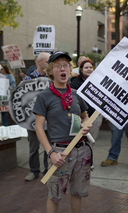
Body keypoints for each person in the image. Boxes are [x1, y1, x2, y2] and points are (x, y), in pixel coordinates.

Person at [33, 51, 92, 213]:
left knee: (77, 192)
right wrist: (50, 152)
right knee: (55, 195)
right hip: (60, 153)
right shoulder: (44, 96)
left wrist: (85, 125)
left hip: (82, 149)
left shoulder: (75, 94)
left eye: (65, 65)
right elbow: (39, 127)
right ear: (51, 71)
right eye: (58, 66)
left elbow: (85, 117)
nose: (62, 68)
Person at [22, 52, 50, 181]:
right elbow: (20, 100)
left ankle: (47, 171)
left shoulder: (52, 79)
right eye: (47, 62)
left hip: (49, 120)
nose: (50, 64)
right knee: (33, 147)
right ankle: (34, 171)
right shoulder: (28, 79)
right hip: (32, 120)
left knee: (47, 147)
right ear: (39, 62)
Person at [70, 59, 103, 140]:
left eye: (91, 67)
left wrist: (101, 113)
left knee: (91, 142)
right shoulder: (75, 83)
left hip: (95, 117)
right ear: (81, 69)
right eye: (86, 67)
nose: (89, 69)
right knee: (78, 142)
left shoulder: (98, 82)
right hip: (81, 118)